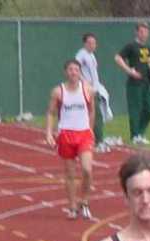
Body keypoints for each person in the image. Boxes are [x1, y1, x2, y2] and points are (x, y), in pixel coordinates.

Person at [45, 59, 95, 220]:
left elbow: (92, 111)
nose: (74, 72)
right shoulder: (58, 91)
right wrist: (48, 132)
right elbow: (51, 112)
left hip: (84, 134)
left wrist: (91, 129)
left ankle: (85, 201)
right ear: (66, 72)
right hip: (66, 134)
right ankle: (73, 206)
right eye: (71, 70)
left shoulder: (87, 89)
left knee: (87, 169)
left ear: (80, 72)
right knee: (70, 174)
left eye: (76, 69)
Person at [115, 22, 150, 145]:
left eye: (146, 31)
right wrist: (129, 71)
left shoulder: (147, 47)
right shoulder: (131, 46)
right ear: (137, 32)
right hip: (135, 83)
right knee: (135, 109)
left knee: (149, 108)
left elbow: (149, 61)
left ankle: (140, 132)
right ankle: (135, 135)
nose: (144, 34)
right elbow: (118, 58)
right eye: (141, 31)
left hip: (147, 82)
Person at [76, 32, 108, 153]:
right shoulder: (81, 55)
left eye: (94, 43)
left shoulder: (91, 55)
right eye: (89, 43)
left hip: (95, 88)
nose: (92, 45)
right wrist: (85, 83)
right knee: (96, 114)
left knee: (94, 114)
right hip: (87, 90)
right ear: (85, 43)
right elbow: (76, 68)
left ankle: (88, 140)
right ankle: (98, 141)